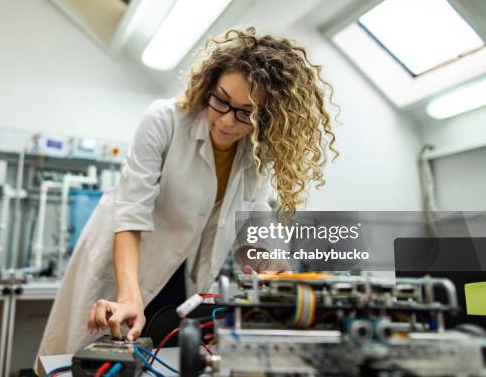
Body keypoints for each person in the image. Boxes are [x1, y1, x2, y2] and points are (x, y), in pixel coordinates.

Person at [35, 27, 338, 365]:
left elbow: (254, 222)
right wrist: (129, 297)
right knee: (99, 361)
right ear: (209, 85)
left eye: (245, 112)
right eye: (221, 100)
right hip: (126, 267)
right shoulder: (165, 120)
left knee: (164, 359)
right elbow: (130, 216)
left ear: (265, 118)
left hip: (182, 278)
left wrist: (273, 272)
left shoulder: (256, 153)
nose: (225, 120)